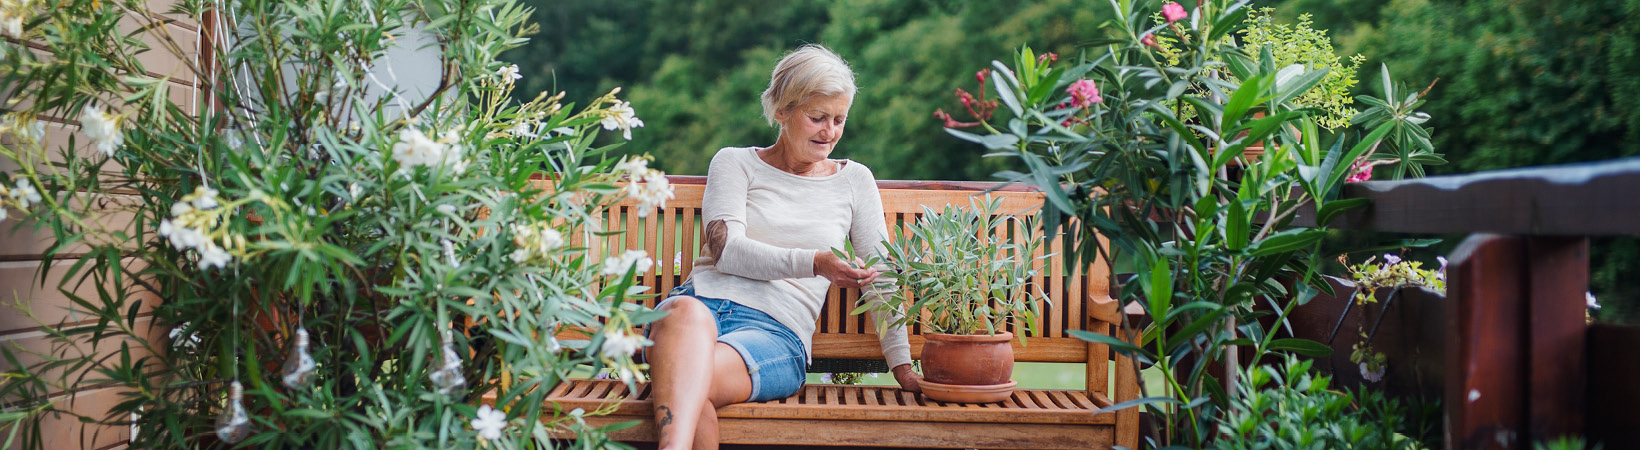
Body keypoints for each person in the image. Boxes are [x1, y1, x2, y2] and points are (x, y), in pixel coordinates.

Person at [642, 44, 921, 450]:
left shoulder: (854, 181)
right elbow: (727, 252)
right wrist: (816, 263)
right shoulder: (734, 163)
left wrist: (901, 365)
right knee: (682, 314)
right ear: (781, 111)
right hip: (696, 308)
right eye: (817, 117)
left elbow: (881, 277)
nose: (829, 132)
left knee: (686, 384)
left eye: (839, 119)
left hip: (774, 333)